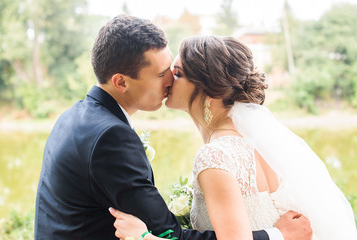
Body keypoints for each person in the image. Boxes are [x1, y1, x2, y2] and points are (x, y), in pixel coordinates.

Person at [34, 15, 311, 240]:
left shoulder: (72, 117)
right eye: (162, 74)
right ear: (121, 82)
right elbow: (167, 234)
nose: (169, 80)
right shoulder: (111, 136)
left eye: (174, 71)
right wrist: (277, 235)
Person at [110, 36, 357, 240]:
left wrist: (144, 237)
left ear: (209, 91)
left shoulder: (216, 156)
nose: (168, 80)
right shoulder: (260, 143)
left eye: (178, 73)